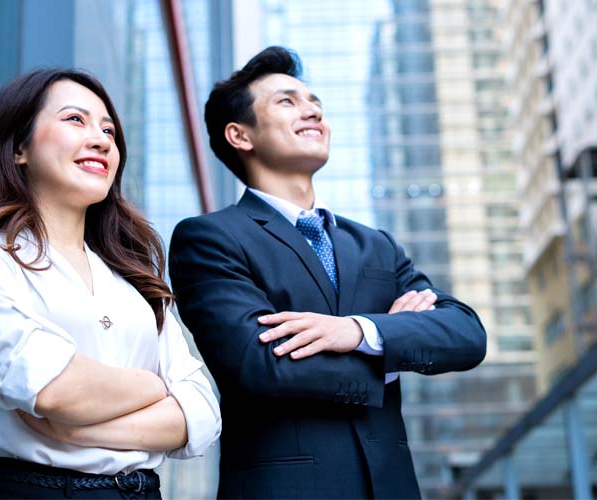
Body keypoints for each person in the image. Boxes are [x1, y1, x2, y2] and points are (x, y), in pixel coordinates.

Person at [168, 46, 486, 499]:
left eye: (315, 101)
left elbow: (465, 335)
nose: (312, 110)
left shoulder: (375, 243)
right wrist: (393, 341)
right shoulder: (209, 238)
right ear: (240, 135)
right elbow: (260, 364)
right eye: (287, 101)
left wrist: (357, 332)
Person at [0, 68, 221, 499]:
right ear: (19, 148)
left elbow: (201, 413)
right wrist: (154, 386)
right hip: (35, 490)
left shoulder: (132, 276)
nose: (102, 139)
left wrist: (73, 432)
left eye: (108, 129)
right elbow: (53, 390)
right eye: (75, 120)